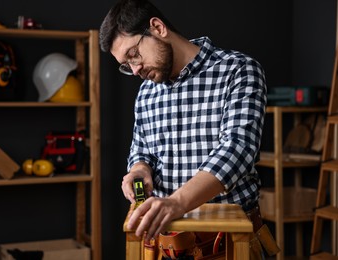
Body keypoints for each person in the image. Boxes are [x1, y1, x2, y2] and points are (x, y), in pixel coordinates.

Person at [100, 0, 278, 258]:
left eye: (134, 54)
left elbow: (237, 151)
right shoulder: (147, 93)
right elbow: (142, 152)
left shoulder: (238, 70)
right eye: (126, 66)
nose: (135, 69)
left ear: (158, 28)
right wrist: (139, 171)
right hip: (165, 245)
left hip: (229, 243)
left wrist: (176, 203)